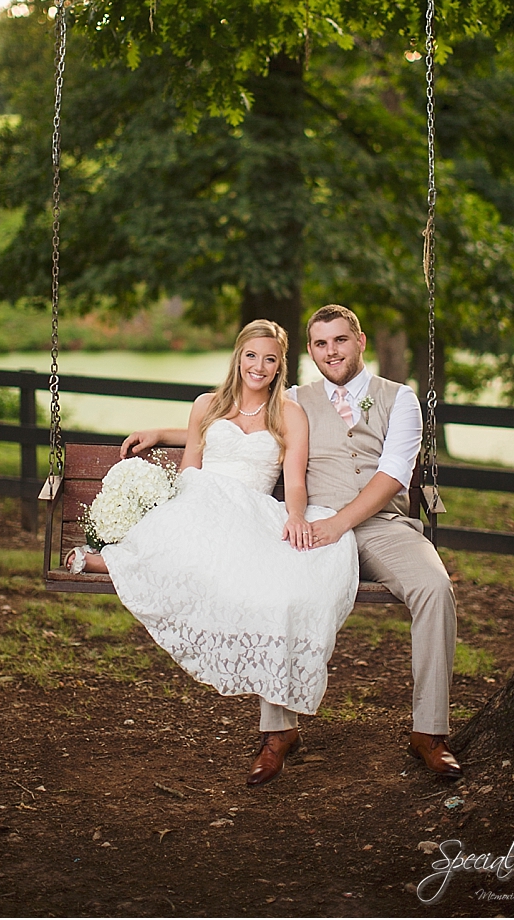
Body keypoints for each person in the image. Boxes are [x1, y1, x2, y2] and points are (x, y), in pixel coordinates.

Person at [126, 305, 461, 779]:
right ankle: (278, 731)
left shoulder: (400, 398)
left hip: (380, 525)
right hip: (315, 524)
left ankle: (429, 730)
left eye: (340, 341)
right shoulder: (297, 400)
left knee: (435, 589)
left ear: (360, 342)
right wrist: (164, 432)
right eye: (321, 344)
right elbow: (237, 423)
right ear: (309, 352)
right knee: (278, 587)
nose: (332, 352)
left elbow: (393, 474)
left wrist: (340, 523)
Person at [65, 319, 359, 787]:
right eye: (250, 356)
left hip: (252, 509)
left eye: (269, 359)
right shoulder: (207, 405)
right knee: (193, 522)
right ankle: (122, 558)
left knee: (274, 596)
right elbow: (191, 466)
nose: (258, 367)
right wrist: (166, 443)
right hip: (204, 497)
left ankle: (278, 733)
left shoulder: (289, 414)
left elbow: (297, 480)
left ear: (281, 364)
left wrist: (296, 516)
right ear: (237, 357)